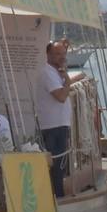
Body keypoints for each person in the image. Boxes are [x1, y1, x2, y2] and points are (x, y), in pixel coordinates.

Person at [36, 39, 74, 198]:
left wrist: (64, 76)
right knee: (56, 164)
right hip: (53, 127)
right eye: (57, 54)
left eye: (63, 54)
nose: (61, 57)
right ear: (48, 55)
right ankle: (56, 197)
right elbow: (60, 96)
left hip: (58, 125)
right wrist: (68, 82)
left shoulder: (56, 72)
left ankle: (57, 195)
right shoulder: (47, 72)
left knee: (60, 164)